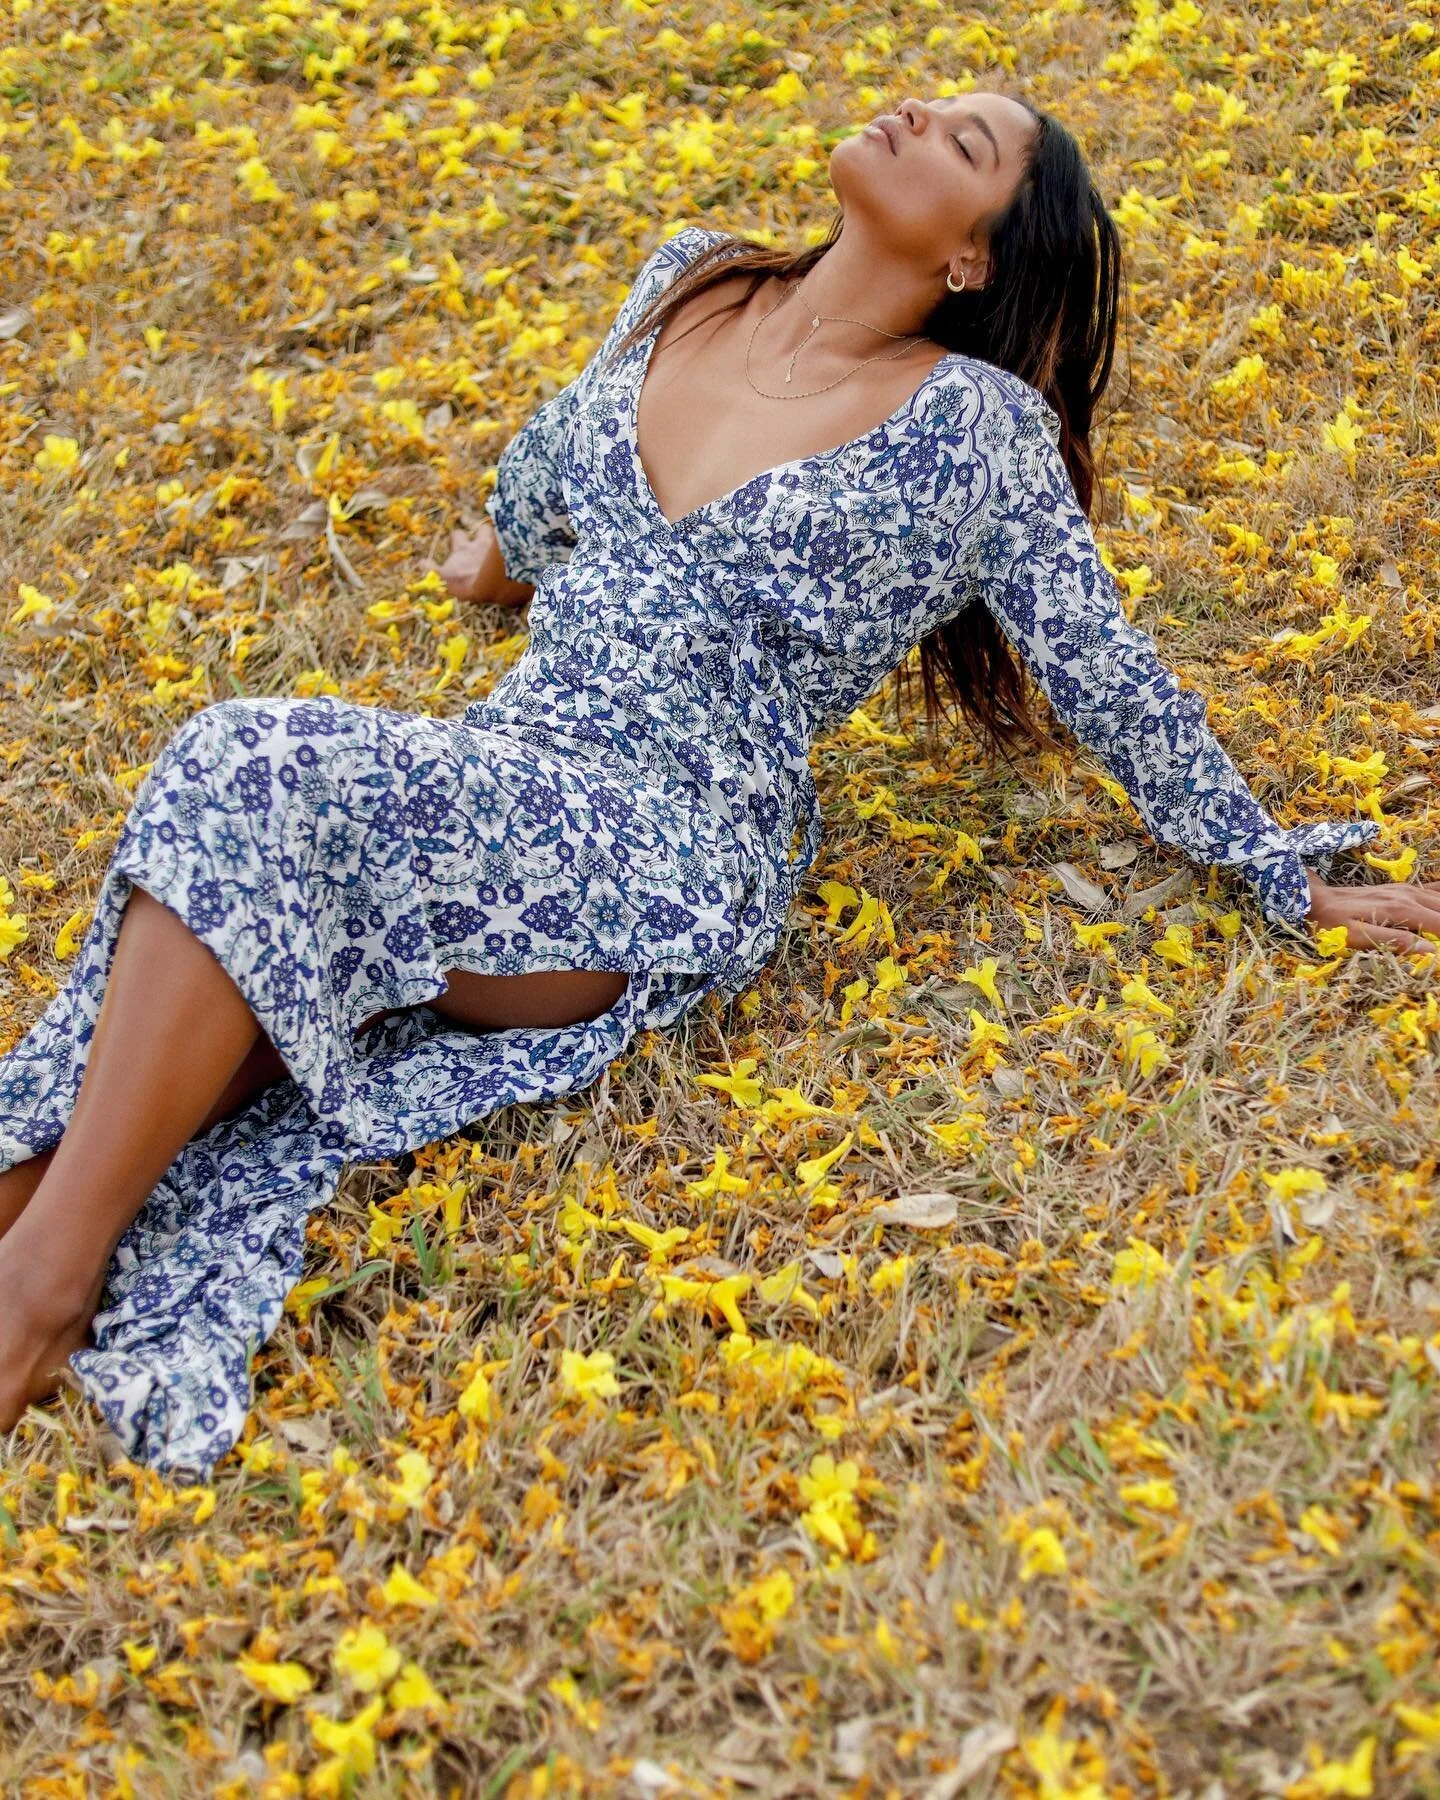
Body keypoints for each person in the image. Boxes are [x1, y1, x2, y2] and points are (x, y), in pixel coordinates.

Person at [2, 89, 1435, 1474]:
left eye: (966, 140)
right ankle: (34, 1225)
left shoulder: (977, 432)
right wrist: (494, 566)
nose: (912, 115)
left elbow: (1106, 674)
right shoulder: (691, 280)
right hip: (514, 763)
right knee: (219, 993)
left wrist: (1272, 871)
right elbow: (548, 468)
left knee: (248, 765)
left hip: (671, 839)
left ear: (972, 255)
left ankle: (45, 1292)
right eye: (927, 100)